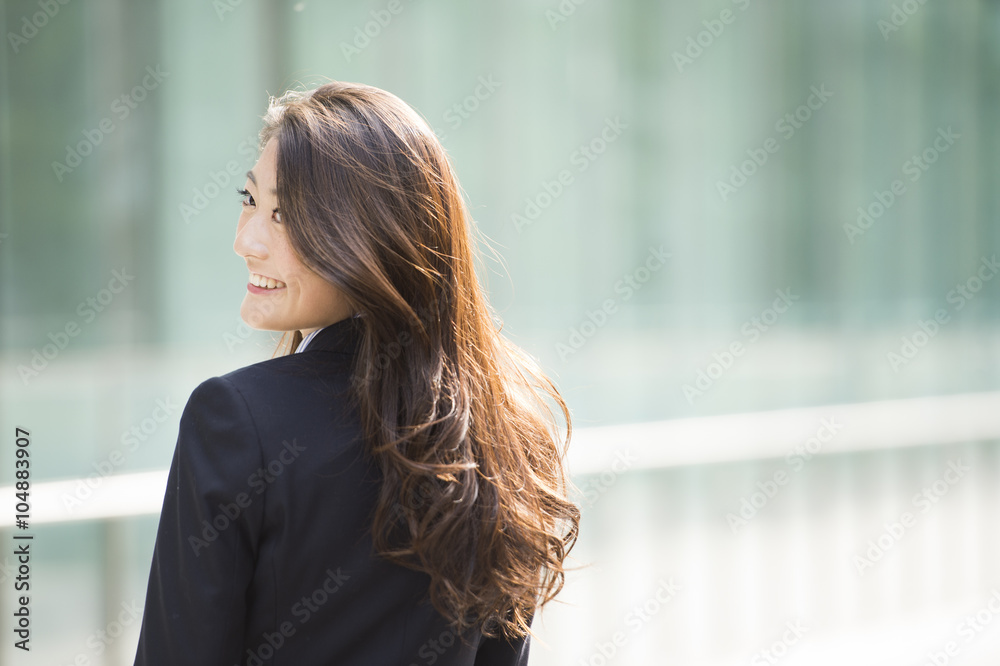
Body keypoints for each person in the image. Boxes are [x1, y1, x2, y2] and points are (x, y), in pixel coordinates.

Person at [132, 80, 580, 665]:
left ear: (369, 237)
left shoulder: (236, 420)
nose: (246, 241)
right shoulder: (503, 428)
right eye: (248, 200)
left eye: (285, 214)